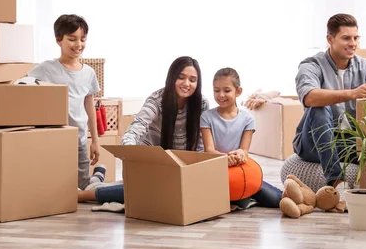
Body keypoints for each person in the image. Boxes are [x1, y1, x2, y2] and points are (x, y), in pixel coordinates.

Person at [247, 13, 366, 199]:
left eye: (356, 38)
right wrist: (353, 93)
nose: (353, 43)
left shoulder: (365, 67)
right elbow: (310, 97)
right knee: (320, 106)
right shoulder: (311, 65)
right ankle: (336, 182)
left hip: (348, 143)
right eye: (346, 38)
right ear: (330, 39)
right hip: (312, 143)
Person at [78, 56, 210, 204]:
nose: (187, 84)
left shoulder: (202, 103)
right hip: (152, 167)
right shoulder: (157, 100)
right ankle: (84, 195)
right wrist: (133, 154)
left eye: (192, 80)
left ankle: (97, 180)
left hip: (180, 170)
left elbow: (200, 146)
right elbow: (135, 129)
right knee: (148, 193)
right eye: (181, 77)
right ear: (172, 77)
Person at [28, 14, 103, 190]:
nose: (78, 45)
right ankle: (98, 176)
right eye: (72, 39)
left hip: (79, 138)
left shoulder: (89, 73)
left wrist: (95, 141)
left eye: (82, 39)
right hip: (54, 137)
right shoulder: (46, 68)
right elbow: (21, 86)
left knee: (83, 186)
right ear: (58, 40)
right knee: (57, 185)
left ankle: (98, 174)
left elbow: (89, 106)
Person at [201, 67, 282, 208]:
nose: (221, 95)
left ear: (238, 91)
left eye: (227, 90)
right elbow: (209, 150)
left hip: (239, 169)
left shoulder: (247, 119)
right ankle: (246, 199)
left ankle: (248, 196)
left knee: (276, 199)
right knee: (235, 199)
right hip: (217, 169)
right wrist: (225, 158)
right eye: (216, 90)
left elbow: (244, 150)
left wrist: (239, 153)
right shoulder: (206, 117)